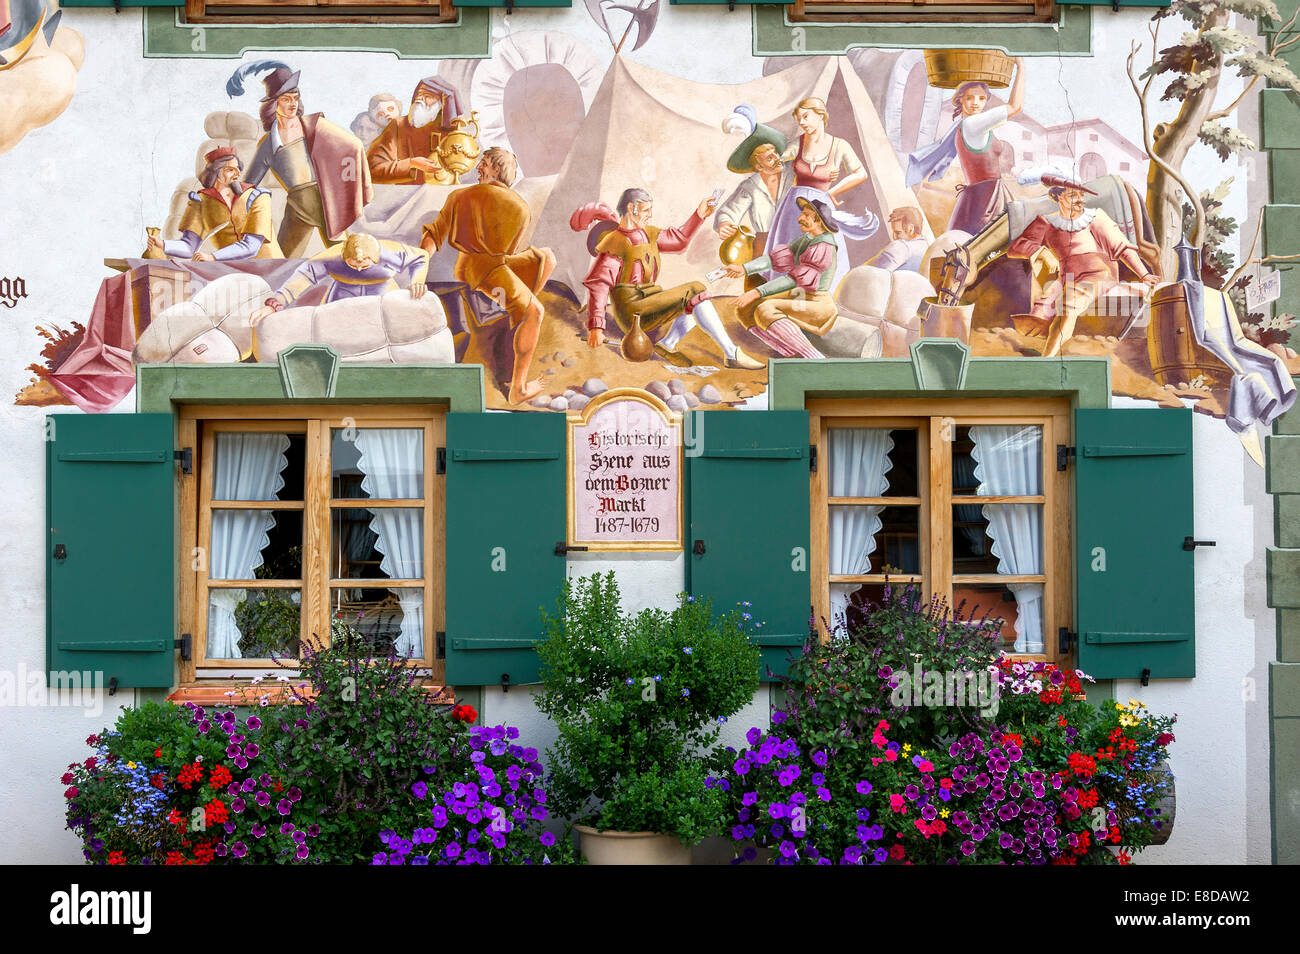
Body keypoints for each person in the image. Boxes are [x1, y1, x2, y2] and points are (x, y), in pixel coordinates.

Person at [419, 147, 555, 405]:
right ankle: (519, 389)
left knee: (546, 257)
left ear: (494, 168)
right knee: (535, 310)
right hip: (490, 269)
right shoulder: (520, 207)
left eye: (483, 163)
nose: (478, 167)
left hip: (473, 267)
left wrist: (419, 266)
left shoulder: (459, 195)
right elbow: (511, 249)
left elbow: (434, 235)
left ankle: (514, 314)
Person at [573, 187, 763, 370]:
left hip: (650, 300)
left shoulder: (648, 234)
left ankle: (668, 343)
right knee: (696, 290)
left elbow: (679, 240)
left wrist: (699, 215)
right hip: (632, 312)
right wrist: (596, 327)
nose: (650, 215)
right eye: (646, 210)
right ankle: (732, 354)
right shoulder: (615, 242)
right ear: (631, 208)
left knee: (697, 302)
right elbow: (599, 285)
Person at [1007, 172, 1159, 358]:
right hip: (1066, 279)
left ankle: (1046, 360)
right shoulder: (1046, 222)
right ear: (1057, 197)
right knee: (1037, 317)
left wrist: (1144, 275)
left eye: (1081, 196)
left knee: (1068, 305)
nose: (1079, 200)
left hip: (1098, 275)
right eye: (1073, 195)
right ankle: (1047, 351)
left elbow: (1123, 248)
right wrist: (1042, 252)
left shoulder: (1095, 218)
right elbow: (1015, 247)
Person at [234, 62, 373, 258]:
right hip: (296, 208)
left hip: (324, 203)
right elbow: (248, 184)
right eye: (286, 99)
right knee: (283, 262)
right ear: (274, 103)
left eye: (295, 98)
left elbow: (354, 146)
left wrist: (345, 186)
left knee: (346, 256)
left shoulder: (313, 125)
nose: (293, 104)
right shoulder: (268, 144)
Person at [765, 97, 877, 293]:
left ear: (821, 115)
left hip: (820, 208)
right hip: (793, 209)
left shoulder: (839, 145)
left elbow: (861, 173)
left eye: (806, 116)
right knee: (789, 255)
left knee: (820, 256)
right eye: (799, 119)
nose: (802, 122)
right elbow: (778, 159)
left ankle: (817, 302)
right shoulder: (797, 143)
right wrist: (774, 161)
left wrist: (833, 190)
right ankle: (783, 297)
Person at [906, 58, 1025, 236]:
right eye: (970, 98)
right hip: (987, 199)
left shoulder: (964, 125)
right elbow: (1015, 106)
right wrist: (1021, 67)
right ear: (960, 99)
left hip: (980, 196)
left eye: (981, 98)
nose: (976, 103)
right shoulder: (972, 124)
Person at [248, 232, 429, 324]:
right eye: (352, 265)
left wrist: (417, 282)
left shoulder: (391, 253)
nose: (358, 269)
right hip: (342, 294)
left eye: (365, 266)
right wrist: (275, 303)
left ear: (376, 258)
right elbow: (303, 276)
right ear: (344, 256)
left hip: (382, 293)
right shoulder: (331, 257)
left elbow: (421, 256)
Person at [726, 196, 838, 337]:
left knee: (766, 308)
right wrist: (744, 269)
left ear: (818, 221)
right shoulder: (808, 238)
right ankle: (786, 349)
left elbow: (794, 280)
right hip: (801, 296)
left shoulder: (823, 246)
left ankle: (812, 355)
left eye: (806, 215)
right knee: (746, 308)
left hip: (817, 302)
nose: (799, 218)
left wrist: (756, 292)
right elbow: (773, 260)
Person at [147, 147, 282, 261]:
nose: (237, 173)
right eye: (230, 170)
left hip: (270, 268)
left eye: (237, 168)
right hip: (233, 273)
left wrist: (213, 257)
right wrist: (162, 244)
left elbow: (251, 247)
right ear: (215, 172)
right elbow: (189, 247)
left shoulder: (258, 197)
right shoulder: (200, 201)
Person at [714, 111, 793, 263]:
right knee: (760, 283)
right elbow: (730, 211)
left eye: (776, 153)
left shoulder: (793, 172)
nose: (778, 159)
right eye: (770, 158)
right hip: (764, 247)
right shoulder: (750, 187)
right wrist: (724, 224)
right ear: (758, 166)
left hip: (794, 241)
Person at [367, 77, 461, 185]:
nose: (419, 100)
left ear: (441, 103)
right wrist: (411, 163)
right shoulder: (398, 126)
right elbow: (373, 168)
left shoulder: (454, 132)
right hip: (406, 196)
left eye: (428, 97)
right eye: (419, 95)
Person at [866, 207, 928, 273]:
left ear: (910, 229)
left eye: (898, 232)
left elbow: (870, 273)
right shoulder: (926, 247)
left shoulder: (901, 246)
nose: (894, 237)